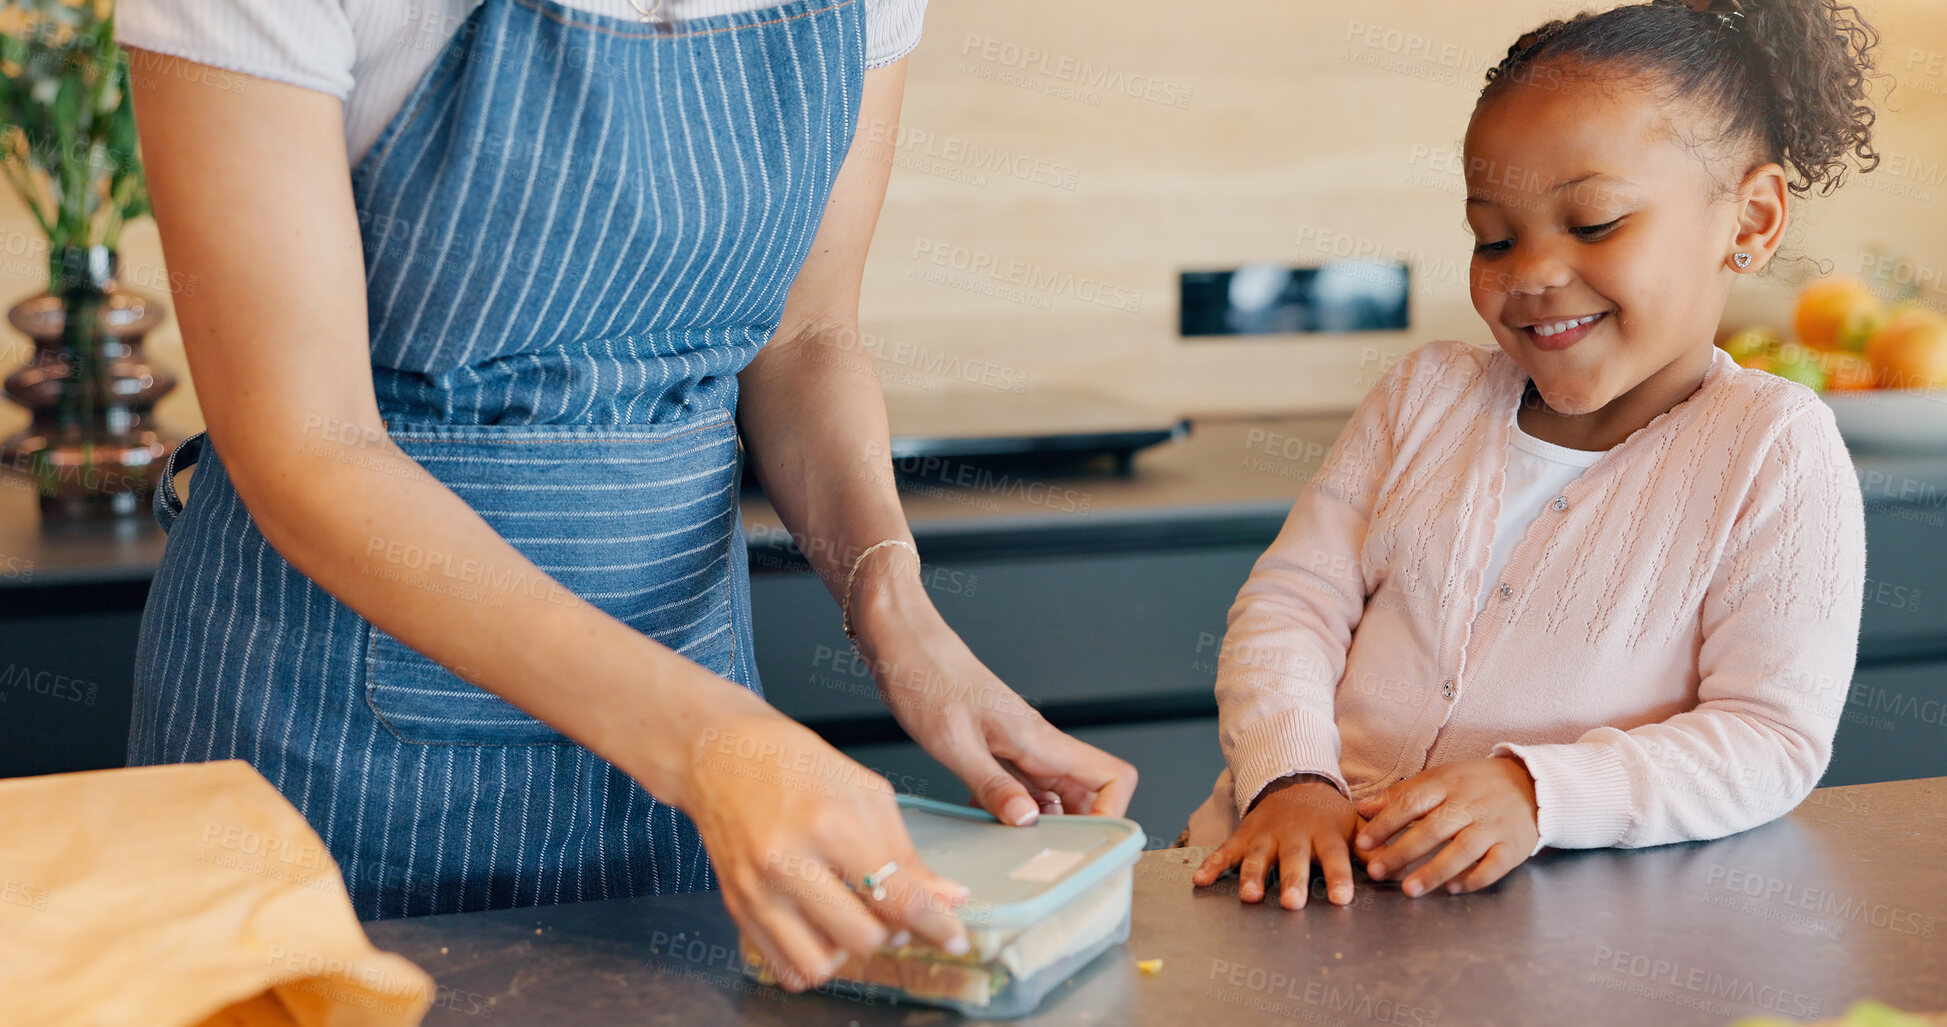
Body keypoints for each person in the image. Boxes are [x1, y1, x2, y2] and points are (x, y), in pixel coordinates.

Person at [115, 0, 1136, 991]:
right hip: (327, 752)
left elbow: (804, 340)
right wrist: (704, 739)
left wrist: (898, 618)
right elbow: (305, 440)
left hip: (688, 740)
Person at [1187, 0, 1874, 908]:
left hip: (1557, 936)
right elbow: (1289, 608)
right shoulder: (1421, 396)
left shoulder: (1773, 449)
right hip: (1294, 886)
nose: (1530, 274)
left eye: (1591, 224)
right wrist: (1289, 779)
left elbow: (1768, 737)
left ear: (1749, 220)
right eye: (1493, 237)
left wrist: (1537, 792)